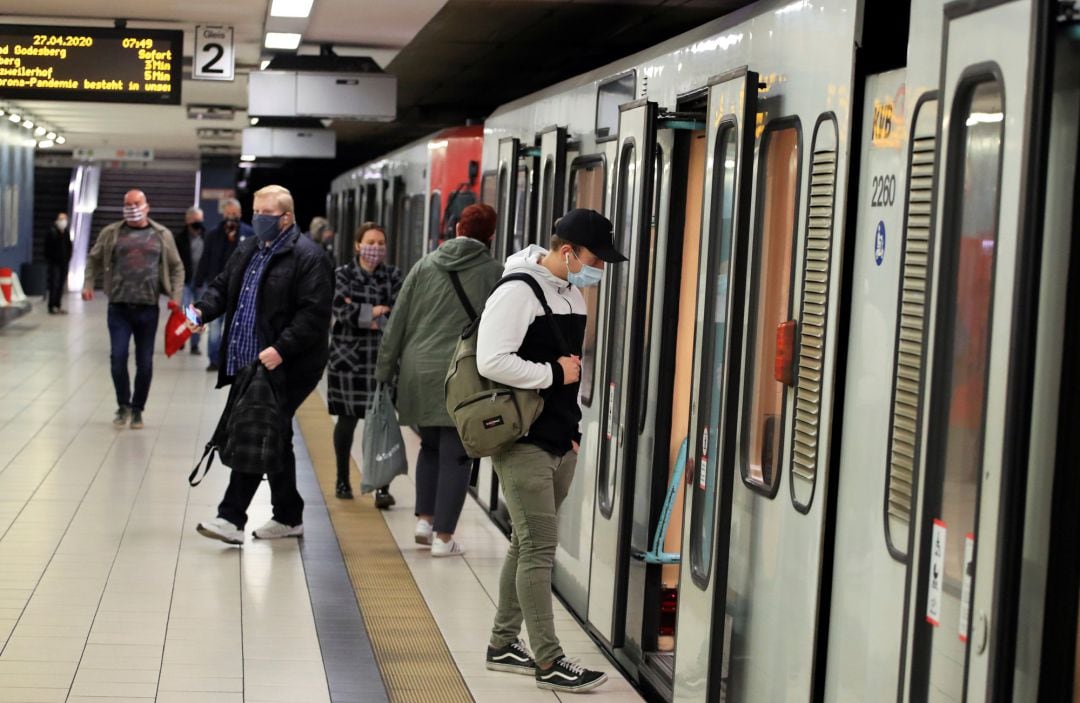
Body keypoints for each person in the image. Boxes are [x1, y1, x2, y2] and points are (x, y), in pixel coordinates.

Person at [479, 209, 626, 693]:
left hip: (561, 439)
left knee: (527, 545)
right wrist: (550, 374)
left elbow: (574, 367)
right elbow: (492, 360)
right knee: (540, 549)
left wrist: (575, 432)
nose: (599, 269)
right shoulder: (517, 290)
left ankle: (503, 644)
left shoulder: (573, 291)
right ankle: (549, 660)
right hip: (522, 442)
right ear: (568, 252)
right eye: (594, 259)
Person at [192, 185, 332, 545]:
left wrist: (281, 349)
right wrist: (202, 310)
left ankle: (231, 518)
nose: (256, 219)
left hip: (287, 366)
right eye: (255, 212)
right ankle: (288, 515)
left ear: (285, 217)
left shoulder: (309, 257)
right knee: (277, 434)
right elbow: (223, 287)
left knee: (258, 429)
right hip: (247, 362)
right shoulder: (249, 249)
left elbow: (313, 315)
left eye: (264, 214)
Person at [374, 203, 501, 557]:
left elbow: (397, 321)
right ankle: (444, 538)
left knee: (428, 445)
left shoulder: (424, 264)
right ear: (490, 236)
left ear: (457, 228)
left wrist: (384, 370)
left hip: (419, 370)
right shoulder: (495, 272)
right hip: (463, 373)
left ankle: (424, 521)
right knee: (457, 454)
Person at [81, 190, 185, 430]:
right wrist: (88, 284)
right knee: (117, 358)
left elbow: (177, 267)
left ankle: (137, 409)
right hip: (118, 307)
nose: (132, 207)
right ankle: (123, 405)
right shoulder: (111, 233)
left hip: (148, 308)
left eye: (136, 203)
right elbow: (93, 259)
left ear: (147, 206)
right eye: (127, 204)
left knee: (145, 362)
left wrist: (176, 296)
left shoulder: (161, 235)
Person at [327, 222, 404, 505]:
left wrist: (367, 312)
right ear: (358, 245)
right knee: (346, 423)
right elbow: (340, 310)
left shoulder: (394, 276)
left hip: (382, 361)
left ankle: (382, 485)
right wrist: (376, 311)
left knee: (381, 424)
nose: (376, 248)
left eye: (381, 243)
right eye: (370, 242)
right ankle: (342, 479)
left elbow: (397, 316)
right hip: (348, 362)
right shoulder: (341, 275)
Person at [195, 198, 254, 372]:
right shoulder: (213, 234)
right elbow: (205, 258)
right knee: (214, 328)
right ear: (223, 214)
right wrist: (198, 281)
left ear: (240, 214)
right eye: (227, 214)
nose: (230, 217)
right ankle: (214, 360)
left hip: (241, 288)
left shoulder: (249, 233)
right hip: (216, 287)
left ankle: (234, 360)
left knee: (236, 327)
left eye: (234, 214)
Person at [175, 206, 206, 354]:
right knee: (185, 310)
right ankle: (181, 337)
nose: (197, 222)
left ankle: (195, 344)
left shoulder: (207, 236)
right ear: (187, 221)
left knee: (197, 313)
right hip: (185, 281)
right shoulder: (179, 239)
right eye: (194, 220)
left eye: (199, 219)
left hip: (201, 281)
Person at [44, 212, 72, 314]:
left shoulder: (66, 233)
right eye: (61, 219)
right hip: (54, 263)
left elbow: (69, 247)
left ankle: (58, 305)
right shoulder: (52, 232)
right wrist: (50, 259)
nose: (63, 221)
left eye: (64, 219)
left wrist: (68, 258)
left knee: (61, 284)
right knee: (54, 284)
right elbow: (47, 248)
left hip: (63, 263)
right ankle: (51, 306)